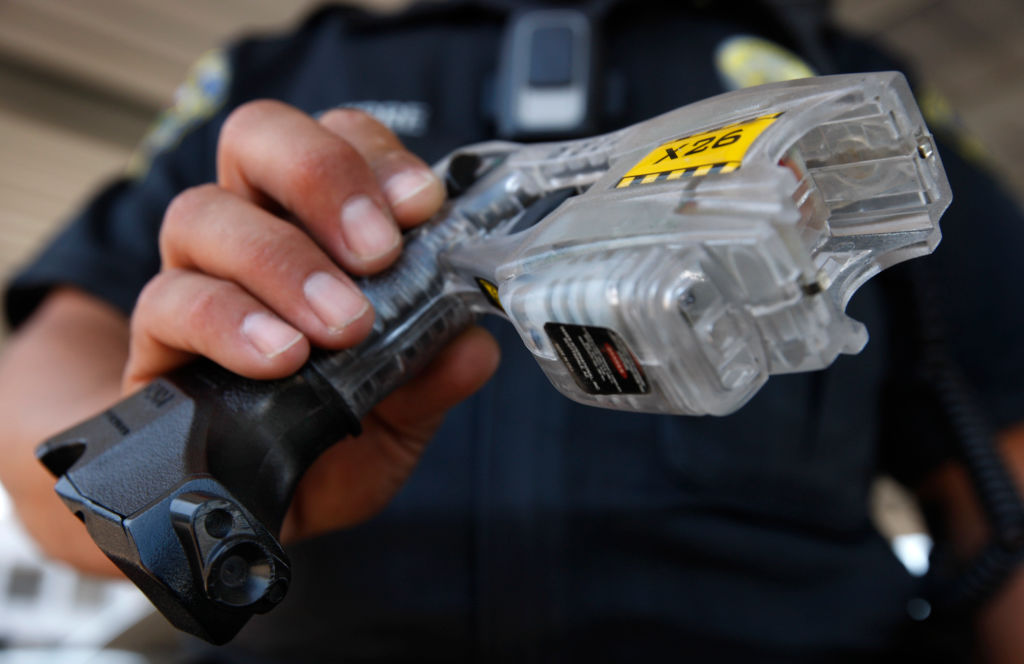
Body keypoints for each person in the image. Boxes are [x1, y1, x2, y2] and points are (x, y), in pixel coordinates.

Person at [1, 1, 1023, 661]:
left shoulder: (815, 70)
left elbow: (1006, 459)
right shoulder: (283, 69)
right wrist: (180, 446)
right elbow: (47, 389)